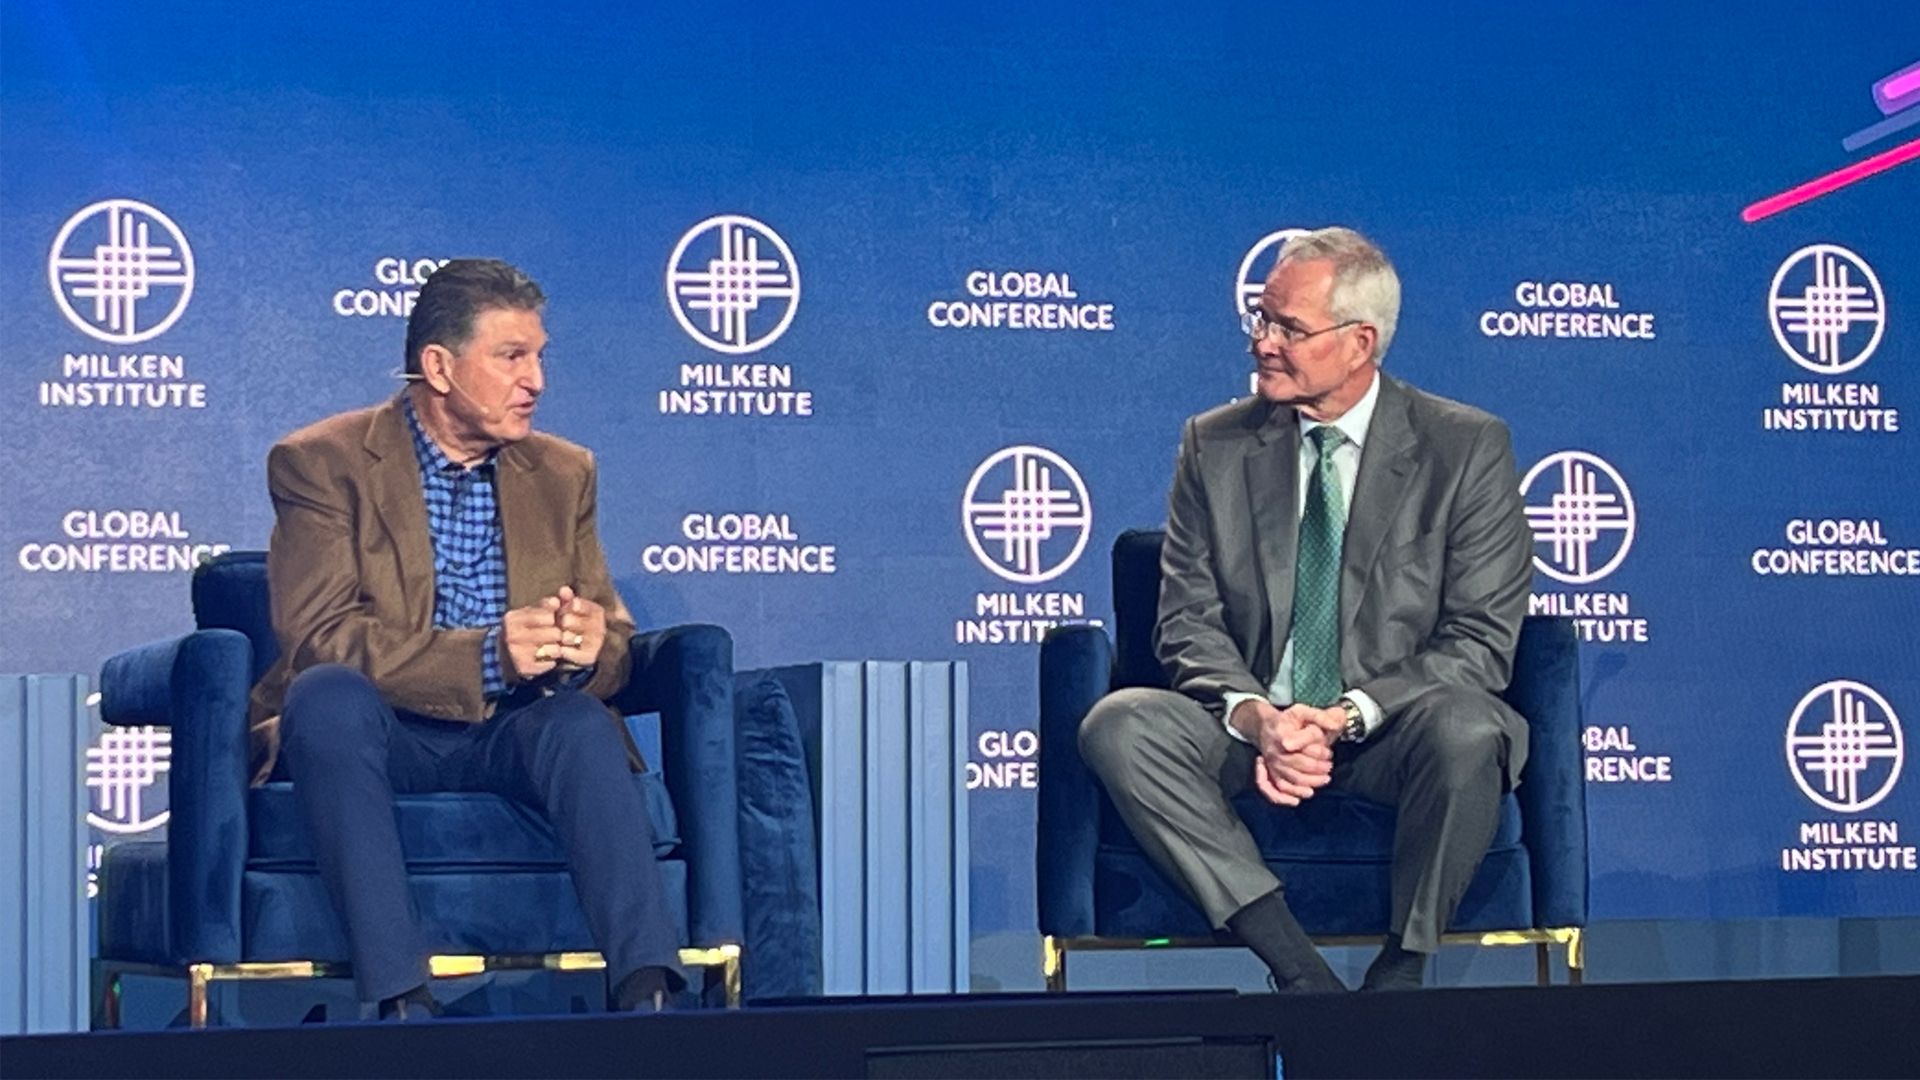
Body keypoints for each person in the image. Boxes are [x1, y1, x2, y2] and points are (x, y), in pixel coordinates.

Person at [1078, 227, 1533, 992]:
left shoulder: (1465, 446)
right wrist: (1262, 719)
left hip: (1392, 730)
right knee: (1117, 724)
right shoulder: (1213, 444)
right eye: (1261, 320)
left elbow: (1480, 642)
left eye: (1289, 327)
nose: (1265, 342)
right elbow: (1187, 619)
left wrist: (1345, 715)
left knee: (1470, 727)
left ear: (1361, 343)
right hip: (1254, 729)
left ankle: (1402, 972)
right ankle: (1299, 972)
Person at [248, 259, 683, 1018]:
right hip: (384, 731)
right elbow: (320, 638)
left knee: (580, 722)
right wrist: (485, 655)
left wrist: (590, 647)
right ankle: (402, 1003)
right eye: (512, 357)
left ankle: (649, 999)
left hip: (512, 731)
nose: (537, 380)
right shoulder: (323, 462)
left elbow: (615, 641)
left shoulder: (563, 471)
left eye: (540, 355)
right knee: (324, 695)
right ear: (439, 367)